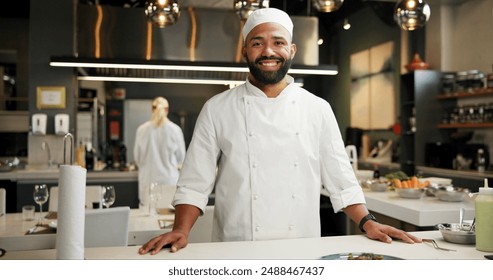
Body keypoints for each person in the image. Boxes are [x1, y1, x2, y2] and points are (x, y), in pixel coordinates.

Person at [139, 8, 421, 255]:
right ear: (245, 51)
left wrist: (368, 223)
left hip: (302, 247)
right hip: (237, 247)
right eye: (257, 43)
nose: (268, 51)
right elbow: (194, 182)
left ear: (292, 50)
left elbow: (342, 181)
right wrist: (181, 230)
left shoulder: (317, 108)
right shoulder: (217, 109)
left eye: (278, 43)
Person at [133, 97, 186, 206]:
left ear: (152, 109)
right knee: (169, 217)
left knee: (147, 218)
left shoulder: (141, 130)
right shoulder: (175, 130)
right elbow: (181, 158)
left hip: (148, 182)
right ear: (167, 110)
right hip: (169, 181)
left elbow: (137, 158)